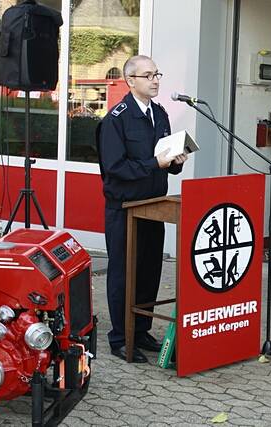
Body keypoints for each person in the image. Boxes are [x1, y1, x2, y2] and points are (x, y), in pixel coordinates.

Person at [97, 55, 188, 362]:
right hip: (125, 208)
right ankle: (121, 337)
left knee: (150, 270)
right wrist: (154, 163)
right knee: (124, 274)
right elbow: (115, 167)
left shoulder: (159, 114)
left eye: (157, 74)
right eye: (148, 75)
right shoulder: (116, 120)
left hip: (155, 207)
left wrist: (175, 162)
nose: (155, 80)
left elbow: (163, 160)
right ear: (131, 81)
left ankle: (141, 328)